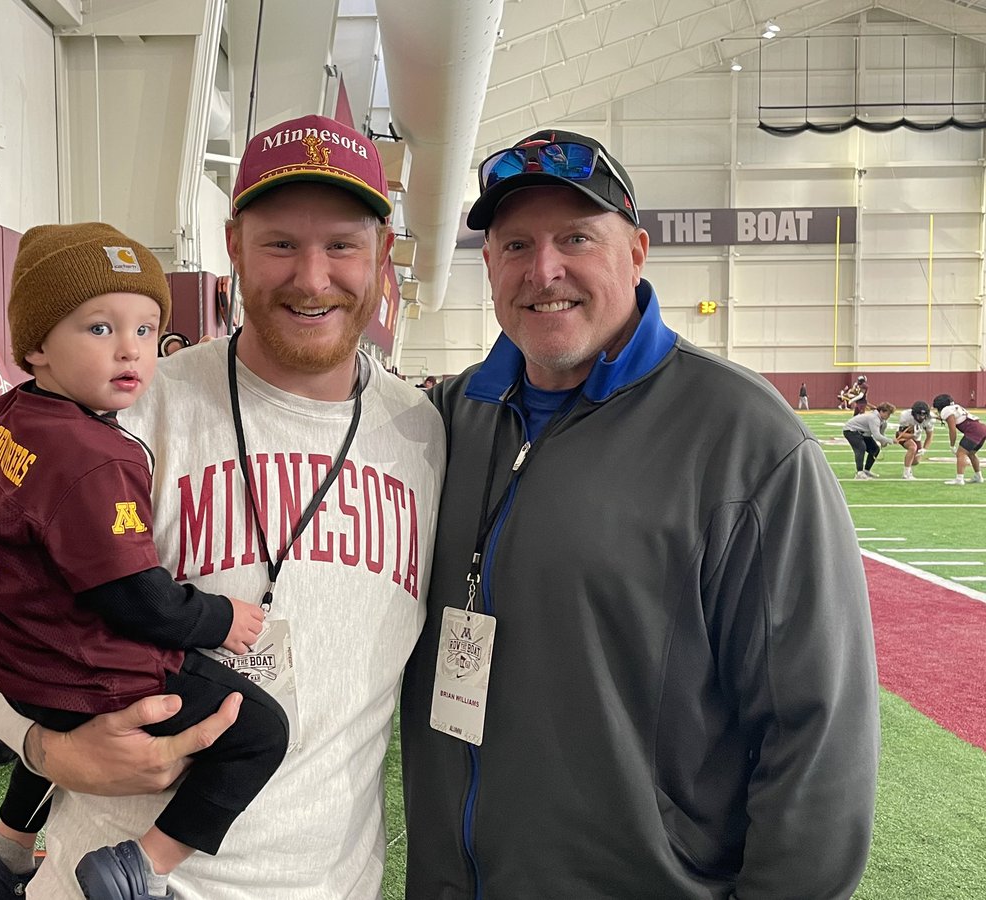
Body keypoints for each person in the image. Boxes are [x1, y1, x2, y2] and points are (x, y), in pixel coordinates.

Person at [0, 113, 446, 899]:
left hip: (330, 883)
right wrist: (42, 747)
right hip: (114, 879)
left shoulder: (425, 434)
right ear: (234, 246)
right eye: (281, 244)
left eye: (341, 244)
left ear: (382, 259)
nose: (313, 278)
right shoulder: (122, 408)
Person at [399, 129, 879, 899]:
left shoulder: (742, 439)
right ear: (488, 266)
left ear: (637, 252)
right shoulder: (450, 420)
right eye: (516, 243)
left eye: (576, 238)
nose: (544, 269)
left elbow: (817, 729)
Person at [0, 223, 289, 900]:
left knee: (59, 721)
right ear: (38, 345)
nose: (131, 350)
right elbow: (138, 598)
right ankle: (142, 866)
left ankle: (3, 854)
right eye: (100, 329)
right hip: (81, 672)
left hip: (20, 659)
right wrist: (222, 617)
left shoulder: (11, 412)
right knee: (259, 730)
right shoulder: (96, 456)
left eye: (146, 329)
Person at [932, 393, 985, 485]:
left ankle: (959, 479)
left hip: (974, 430)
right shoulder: (955, 407)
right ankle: (978, 476)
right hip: (981, 428)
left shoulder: (946, 410)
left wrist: (952, 445)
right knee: (971, 453)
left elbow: (952, 430)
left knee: (961, 453)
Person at [843, 402, 896, 479]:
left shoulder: (883, 422)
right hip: (850, 430)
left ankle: (866, 471)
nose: (888, 416)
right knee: (861, 447)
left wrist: (884, 442)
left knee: (875, 449)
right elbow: (877, 436)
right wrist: (890, 441)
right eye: (888, 414)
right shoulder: (874, 418)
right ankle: (859, 473)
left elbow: (881, 434)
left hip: (863, 433)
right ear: (881, 411)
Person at [895, 400, 934, 480]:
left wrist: (924, 449)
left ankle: (908, 465)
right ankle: (906, 474)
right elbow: (900, 434)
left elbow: (929, 436)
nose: (921, 417)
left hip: (917, 437)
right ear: (913, 413)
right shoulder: (905, 416)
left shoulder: (930, 419)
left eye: (924, 415)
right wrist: (913, 435)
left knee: (916, 461)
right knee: (912, 447)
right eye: (919, 415)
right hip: (906, 434)